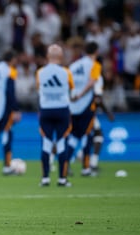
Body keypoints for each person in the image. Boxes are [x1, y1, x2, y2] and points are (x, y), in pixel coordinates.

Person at [35, 44, 74, 187]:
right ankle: (62, 179)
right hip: (62, 109)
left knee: (46, 144)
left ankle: (45, 178)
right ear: (61, 56)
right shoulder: (66, 72)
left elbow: (38, 88)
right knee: (62, 143)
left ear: (47, 56)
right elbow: (71, 88)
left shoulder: (40, 72)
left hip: (46, 109)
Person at [67, 41, 102, 176]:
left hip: (72, 106)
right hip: (86, 106)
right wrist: (81, 95)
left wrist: (72, 97)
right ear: (96, 51)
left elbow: (68, 84)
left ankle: (66, 163)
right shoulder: (95, 65)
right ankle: (86, 168)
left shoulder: (74, 65)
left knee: (73, 136)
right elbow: (92, 82)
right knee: (88, 135)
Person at [0, 50, 21, 176]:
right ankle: (7, 167)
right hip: (4, 108)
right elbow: (10, 91)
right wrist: (16, 109)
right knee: (6, 135)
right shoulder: (9, 70)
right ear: (12, 59)